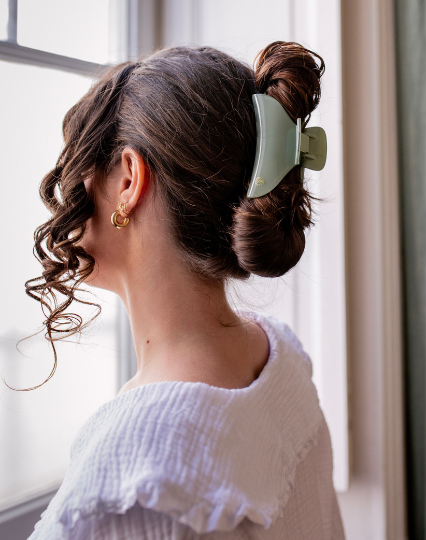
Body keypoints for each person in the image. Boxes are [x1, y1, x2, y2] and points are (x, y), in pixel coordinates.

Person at [25, 41, 345, 539]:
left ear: (129, 179)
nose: (68, 186)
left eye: (80, 159)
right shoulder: (281, 364)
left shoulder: (134, 490)